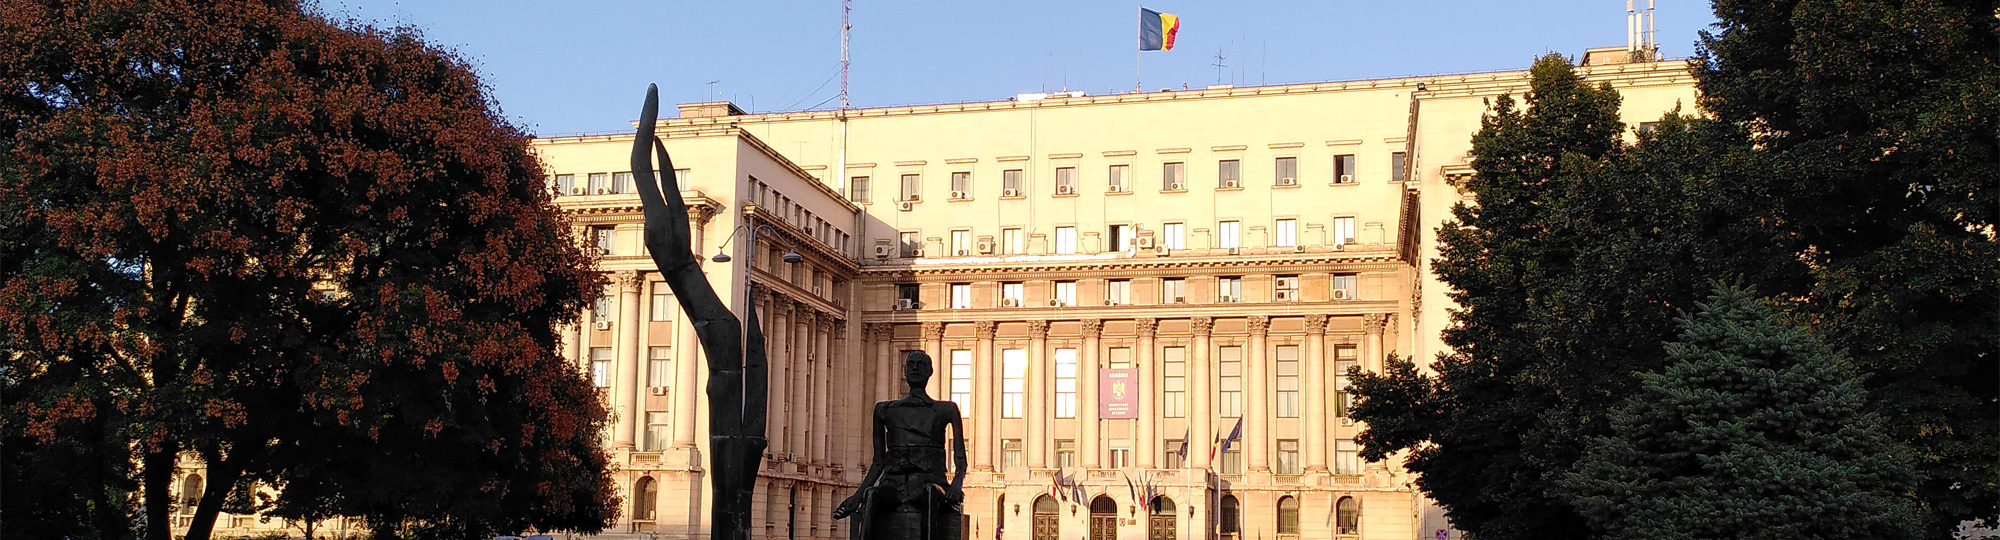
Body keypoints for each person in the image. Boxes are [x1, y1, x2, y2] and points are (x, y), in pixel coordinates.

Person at [834, 351, 967, 539]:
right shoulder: (884, 409)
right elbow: (879, 462)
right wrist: (857, 497)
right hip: (894, 484)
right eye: (910, 364)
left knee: (930, 492)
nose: (915, 368)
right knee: (872, 494)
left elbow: (960, 459)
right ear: (904, 371)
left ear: (930, 371)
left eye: (921, 364)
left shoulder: (946, 409)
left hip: (931, 481)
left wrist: (956, 485)